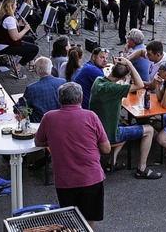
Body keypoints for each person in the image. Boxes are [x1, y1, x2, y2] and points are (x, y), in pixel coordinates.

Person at [34, 82, 110, 229]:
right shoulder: (91, 116)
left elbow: (38, 142)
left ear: (59, 99)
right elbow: (106, 148)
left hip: (65, 180)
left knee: (70, 220)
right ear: (80, 98)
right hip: (91, 177)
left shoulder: (49, 117)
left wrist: (53, 142)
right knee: (89, 220)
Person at [89, 57, 162, 179]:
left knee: (126, 126)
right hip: (109, 133)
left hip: (96, 129)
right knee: (149, 130)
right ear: (123, 78)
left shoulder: (98, 81)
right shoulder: (114, 89)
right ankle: (141, 169)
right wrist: (129, 64)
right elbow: (139, 85)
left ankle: (111, 163)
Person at [0, 0, 39, 79]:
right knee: (35, 49)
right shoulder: (9, 19)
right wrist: (25, 29)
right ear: (11, 6)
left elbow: (7, 30)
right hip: (3, 47)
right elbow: (15, 38)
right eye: (15, 5)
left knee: (30, 39)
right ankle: (17, 68)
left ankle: (31, 63)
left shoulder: (1, 15)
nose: (16, 6)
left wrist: (19, 24)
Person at [20, 57, 65, 123]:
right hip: (60, 122)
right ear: (51, 68)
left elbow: (22, 107)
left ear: (36, 71)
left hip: (40, 124)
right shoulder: (63, 82)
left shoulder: (31, 88)